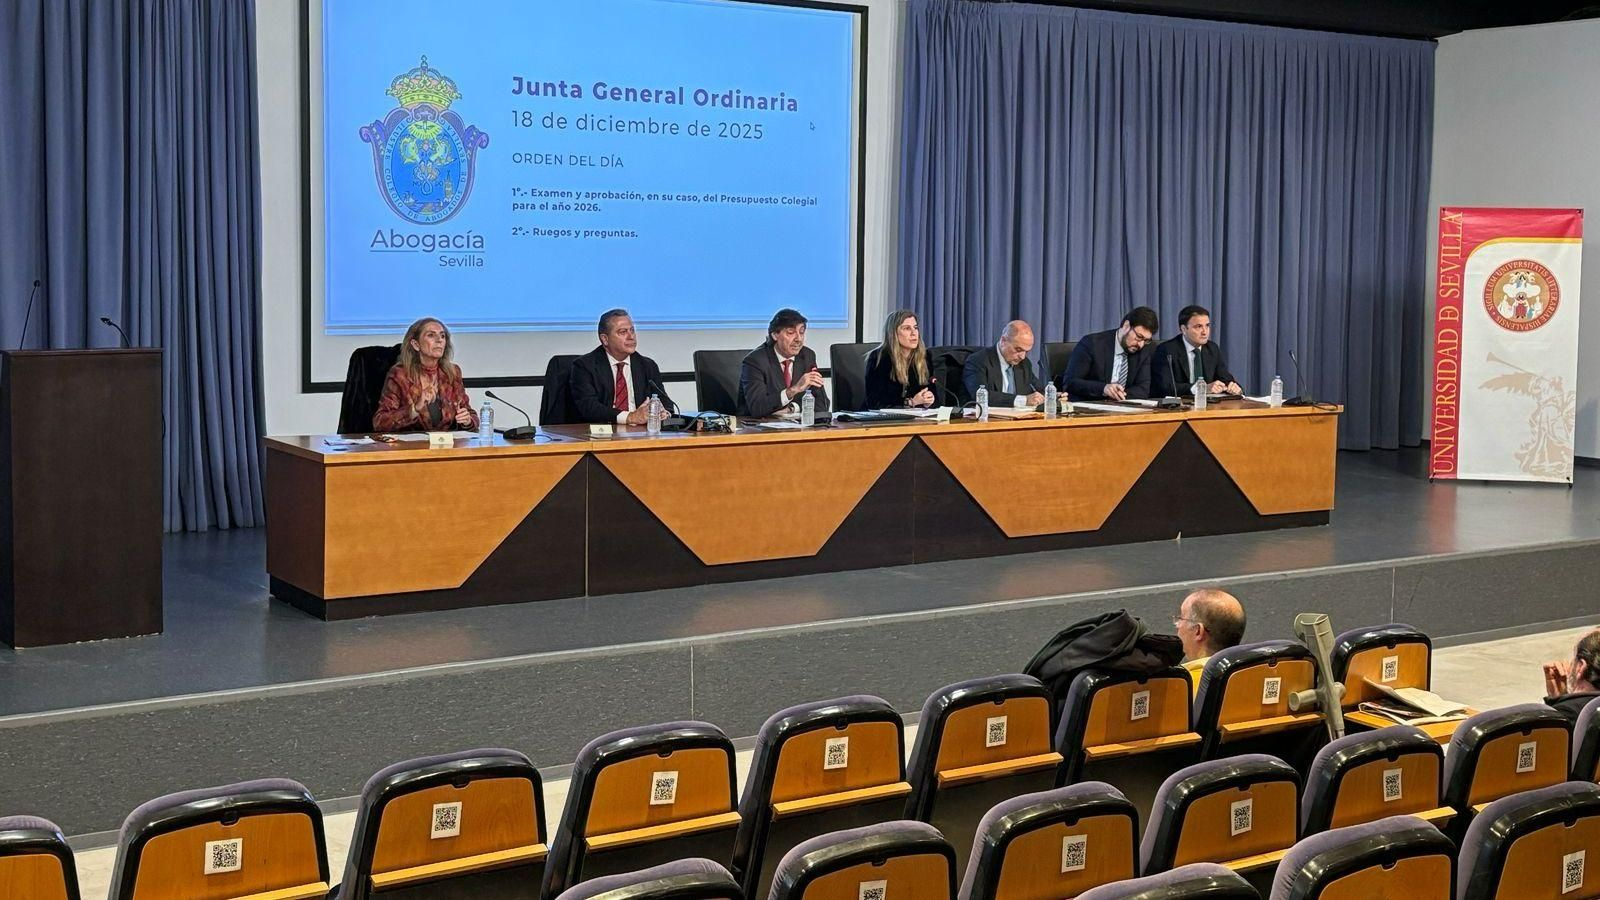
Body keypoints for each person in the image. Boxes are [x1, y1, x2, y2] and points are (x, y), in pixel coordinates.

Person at [372, 317, 479, 432]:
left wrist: (467, 421)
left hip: (446, 446)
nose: (439, 340)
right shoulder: (400, 375)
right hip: (412, 447)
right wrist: (414, 409)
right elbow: (380, 422)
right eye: (431, 335)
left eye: (442, 336)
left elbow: (471, 415)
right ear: (415, 344)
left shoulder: (452, 372)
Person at [569, 308, 674, 426]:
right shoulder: (585, 366)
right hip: (602, 434)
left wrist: (664, 413)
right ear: (605, 339)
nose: (631, 337)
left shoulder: (647, 365)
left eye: (632, 330)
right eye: (623, 332)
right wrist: (630, 417)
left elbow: (666, 404)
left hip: (641, 433)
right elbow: (589, 408)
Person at [739, 308, 832, 418]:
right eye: (791, 333)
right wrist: (793, 390)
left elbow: (822, 404)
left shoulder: (807, 356)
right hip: (759, 430)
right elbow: (757, 407)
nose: (798, 339)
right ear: (775, 335)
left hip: (797, 430)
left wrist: (792, 408)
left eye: (801, 332)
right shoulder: (756, 361)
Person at [1060, 306, 1159, 401]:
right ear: (1126, 326)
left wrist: (1117, 395)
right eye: (1139, 337)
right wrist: (1104, 389)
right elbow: (1070, 383)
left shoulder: (1144, 350)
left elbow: (1143, 389)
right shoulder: (1092, 344)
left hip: (1124, 410)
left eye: (1146, 340)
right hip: (1089, 409)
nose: (1141, 344)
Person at [1151, 305, 1242, 398]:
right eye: (1198, 326)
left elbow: (1225, 378)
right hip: (1177, 408)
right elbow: (1165, 387)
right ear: (1184, 329)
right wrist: (1201, 389)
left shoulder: (1212, 349)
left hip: (1208, 407)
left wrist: (1234, 387)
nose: (1204, 332)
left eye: (1207, 326)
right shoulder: (1167, 350)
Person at [1174, 588, 1246, 691]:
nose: (1178, 625)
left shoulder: (1177, 687)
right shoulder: (1253, 677)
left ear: (1198, 631)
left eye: (1181, 618)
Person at [963, 320, 1047, 408]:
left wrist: (1054, 395)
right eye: (1018, 350)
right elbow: (981, 396)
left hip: (1018, 419)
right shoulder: (978, 360)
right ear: (1003, 341)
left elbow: (1040, 390)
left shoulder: (1024, 364)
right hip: (986, 419)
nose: (1022, 356)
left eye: (1026, 351)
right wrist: (1023, 400)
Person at [864, 310, 937, 409]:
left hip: (917, 419)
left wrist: (929, 401)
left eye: (915, 328)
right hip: (881, 421)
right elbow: (875, 403)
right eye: (907, 328)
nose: (913, 333)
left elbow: (934, 396)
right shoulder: (879, 358)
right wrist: (911, 402)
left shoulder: (924, 356)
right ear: (893, 333)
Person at [1542, 628, 1600, 723]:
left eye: (1573, 658)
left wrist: (1558, 706)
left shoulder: (1566, 716)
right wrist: (1561, 698)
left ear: (1580, 667)